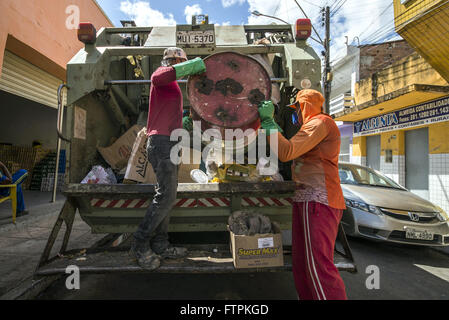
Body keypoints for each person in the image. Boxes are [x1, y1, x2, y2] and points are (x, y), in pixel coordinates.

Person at [258, 89, 347, 300]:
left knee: (318, 266)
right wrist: (271, 127)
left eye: (297, 108)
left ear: (305, 106)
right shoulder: (310, 127)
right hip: (306, 199)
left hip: (318, 200)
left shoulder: (320, 123)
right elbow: (290, 145)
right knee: (302, 264)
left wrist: (270, 123)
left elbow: (287, 152)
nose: (295, 114)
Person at [130, 47, 206, 270]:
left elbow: (166, 110)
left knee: (167, 196)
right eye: (181, 63)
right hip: (161, 142)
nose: (184, 67)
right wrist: (190, 65)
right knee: (166, 196)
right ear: (173, 62)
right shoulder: (162, 75)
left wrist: (184, 121)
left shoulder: (172, 86)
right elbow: (157, 76)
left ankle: (161, 244)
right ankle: (139, 243)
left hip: (170, 142)